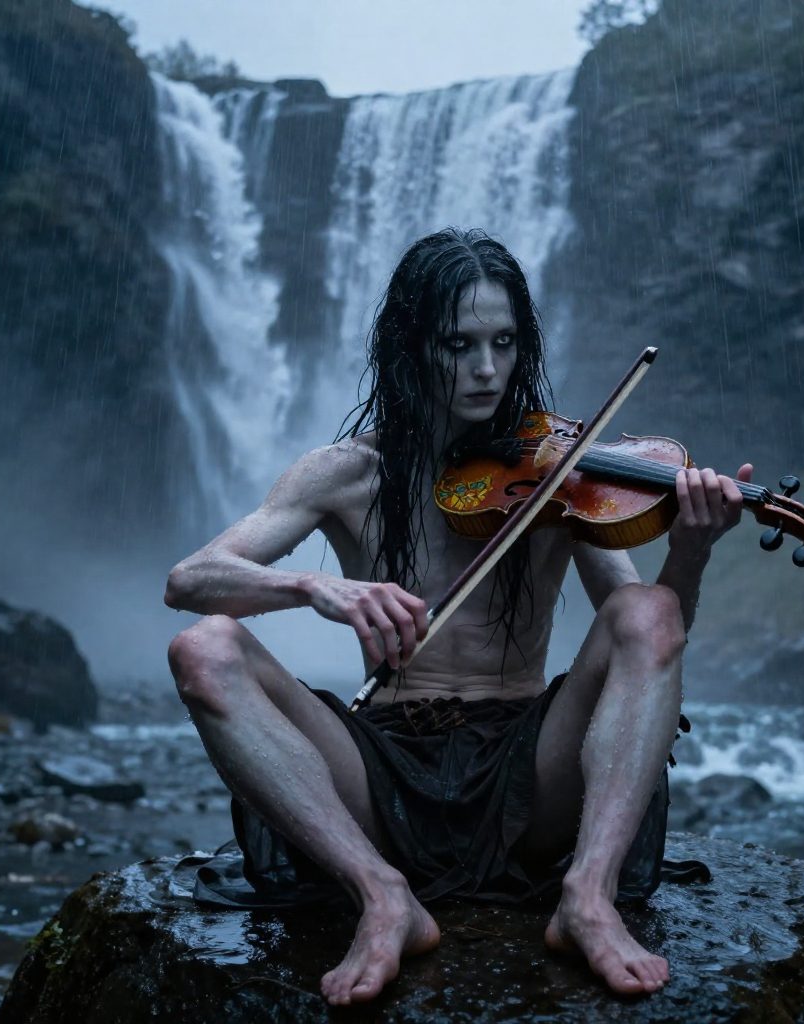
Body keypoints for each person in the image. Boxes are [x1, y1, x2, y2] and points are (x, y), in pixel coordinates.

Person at [165, 227, 752, 1006]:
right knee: (204, 649)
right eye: (459, 344)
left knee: (645, 606)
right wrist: (317, 589)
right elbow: (189, 579)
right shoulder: (346, 473)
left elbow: (654, 638)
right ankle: (381, 894)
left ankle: (587, 895)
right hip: (382, 774)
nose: (485, 369)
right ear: (413, 345)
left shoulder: (565, 469)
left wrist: (694, 551)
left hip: (529, 769)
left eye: (504, 343)